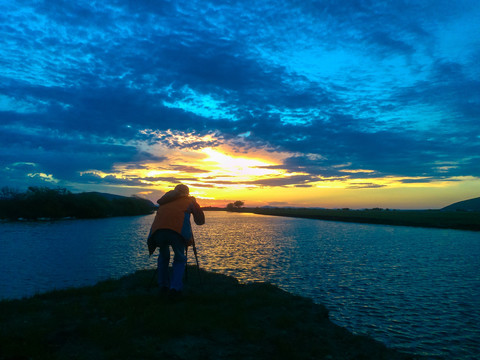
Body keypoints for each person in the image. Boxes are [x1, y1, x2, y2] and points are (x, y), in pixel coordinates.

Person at [147, 184, 205, 297]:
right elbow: (200, 221)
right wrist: (194, 203)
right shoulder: (188, 201)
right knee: (179, 258)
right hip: (177, 232)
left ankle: (163, 286)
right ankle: (175, 288)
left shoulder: (164, 201)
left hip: (157, 232)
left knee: (163, 257)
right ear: (186, 193)